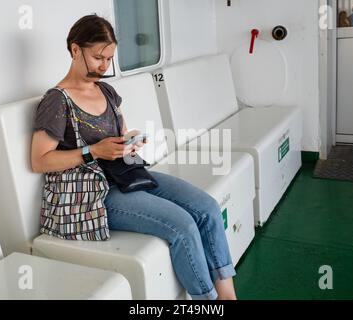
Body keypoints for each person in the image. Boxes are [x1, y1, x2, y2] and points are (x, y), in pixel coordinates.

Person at [30, 14, 237, 300]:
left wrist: (129, 141)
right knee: (183, 225)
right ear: (75, 50)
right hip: (94, 196)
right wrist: (93, 151)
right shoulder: (56, 100)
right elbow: (40, 160)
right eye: (98, 58)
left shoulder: (106, 91)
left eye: (109, 59)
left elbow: (119, 133)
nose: (104, 66)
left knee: (208, 209)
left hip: (126, 175)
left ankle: (229, 298)